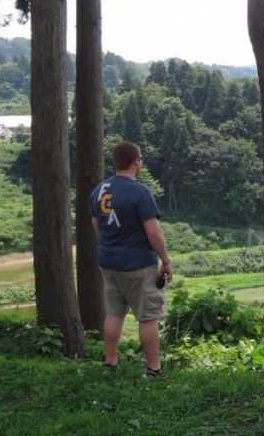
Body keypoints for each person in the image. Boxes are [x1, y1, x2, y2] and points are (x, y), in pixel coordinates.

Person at [90, 141, 173, 377]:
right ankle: (153, 368)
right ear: (136, 161)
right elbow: (153, 232)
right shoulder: (139, 192)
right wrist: (165, 261)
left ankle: (110, 363)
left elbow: (96, 225)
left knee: (114, 313)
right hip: (138, 264)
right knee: (148, 316)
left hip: (108, 262)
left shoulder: (99, 190)